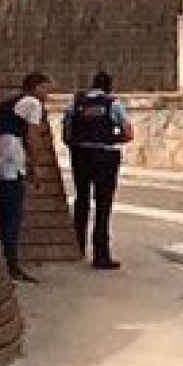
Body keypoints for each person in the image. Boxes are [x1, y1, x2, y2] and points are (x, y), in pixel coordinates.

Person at [63, 71, 133, 270]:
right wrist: (111, 139)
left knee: (82, 200)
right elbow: (128, 133)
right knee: (103, 204)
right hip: (105, 156)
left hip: (80, 155)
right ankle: (101, 254)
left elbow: (67, 134)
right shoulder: (113, 105)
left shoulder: (75, 105)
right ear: (109, 86)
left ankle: (77, 247)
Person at [0, 73, 51, 283]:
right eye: (45, 89)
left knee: (2, 212)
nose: (47, 94)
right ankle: (11, 266)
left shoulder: (8, 104)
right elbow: (32, 136)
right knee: (12, 215)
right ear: (35, 87)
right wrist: (36, 164)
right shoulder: (32, 103)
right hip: (11, 157)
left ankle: (3, 261)